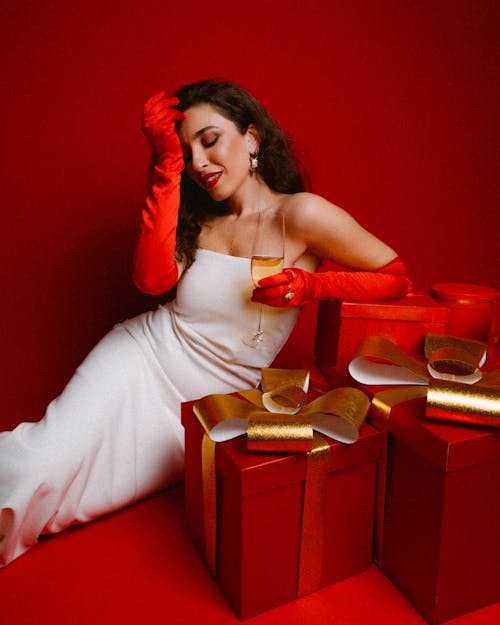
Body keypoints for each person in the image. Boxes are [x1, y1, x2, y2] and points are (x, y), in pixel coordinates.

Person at [0, 79, 412, 567]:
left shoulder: (301, 213)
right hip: (141, 356)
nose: (199, 162)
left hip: (206, 405)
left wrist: (314, 287)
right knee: (46, 457)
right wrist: (165, 167)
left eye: (210, 140)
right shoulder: (199, 219)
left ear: (252, 139)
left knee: (86, 497)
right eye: (186, 150)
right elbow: (151, 281)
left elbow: (395, 277)